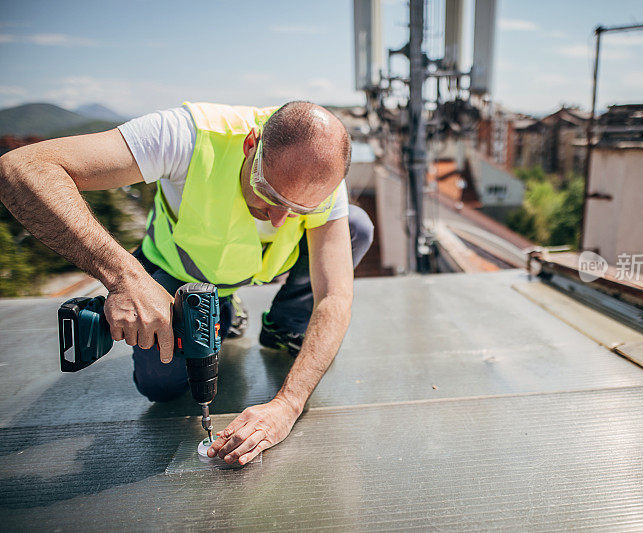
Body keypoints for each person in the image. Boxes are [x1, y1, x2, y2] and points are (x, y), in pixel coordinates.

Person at [0, 101, 373, 466]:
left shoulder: (320, 180)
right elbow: (21, 168)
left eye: (301, 209)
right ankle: (222, 309)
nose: (280, 220)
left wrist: (287, 405)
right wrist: (124, 277)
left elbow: (335, 297)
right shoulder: (188, 136)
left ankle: (283, 324)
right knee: (161, 386)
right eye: (270, 195)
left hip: (247, 267)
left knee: (354, 225)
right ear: (250, 146)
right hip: (173, 272)